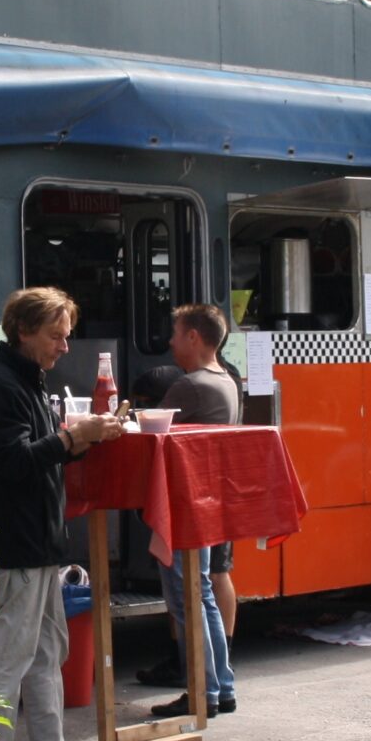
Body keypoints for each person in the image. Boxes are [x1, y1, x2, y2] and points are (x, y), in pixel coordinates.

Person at [0, 287, 126, 741]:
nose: (64, 346)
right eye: (56, 336)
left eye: (66, 335)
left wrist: (83, 440)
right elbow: (13, 462)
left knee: (43, 654)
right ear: (24, 331)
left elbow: (34, 455)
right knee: (8, 657)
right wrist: (71, 439)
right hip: (21, 539)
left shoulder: (23, 380)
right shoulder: (3, 385)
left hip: (35, 539)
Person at [145, 302, 245, 719]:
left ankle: (201, 691)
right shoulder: (226, 381)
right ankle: (220, 687)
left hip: (185, 506)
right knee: (201, 595)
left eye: (175, 334)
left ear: (193, 337)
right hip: (207, 502)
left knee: (187, 599)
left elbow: (149, 432)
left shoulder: (190, 386)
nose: (170, 343)